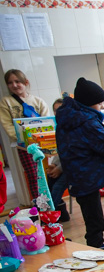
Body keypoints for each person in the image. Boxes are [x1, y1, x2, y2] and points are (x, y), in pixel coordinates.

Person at [55, 78, 104, 248]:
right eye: (99, 104)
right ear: (90, 104)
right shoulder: (87, 122)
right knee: (95, 219)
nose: (101, 107)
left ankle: (95, 243)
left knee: (90, 214)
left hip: (76, 174)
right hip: (87, 175)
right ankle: (96, 247)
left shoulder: (67, 116)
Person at [0, 70, 50, 206]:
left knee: (46, 174)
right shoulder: (6, 102)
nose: (14, 85)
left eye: (17, 81)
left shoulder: (37, 101)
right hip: (25, 146)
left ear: (25, 82)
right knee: (33, 175)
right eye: (10, 83)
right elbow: (8, 126)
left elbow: (47, 122)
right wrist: (25, 141)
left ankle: (51, 203)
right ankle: (39, 205)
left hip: (42, 144)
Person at [47, 98, 70, 222]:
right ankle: (60, 213)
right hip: (64, 166)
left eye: (61, 109)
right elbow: (60, 152)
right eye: (56, 110)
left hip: (73, 168)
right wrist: (54, 165)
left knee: (57, 186)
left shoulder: (71, 127)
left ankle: (48, 216)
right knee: (49, 179)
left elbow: (71, 154)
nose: (58, 113)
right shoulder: (60, 128)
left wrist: (59, 169)